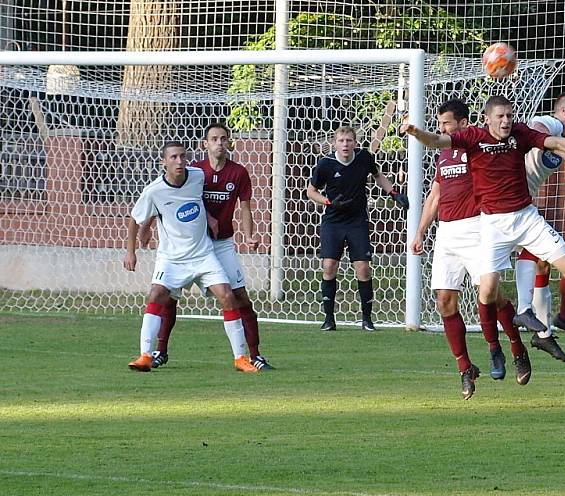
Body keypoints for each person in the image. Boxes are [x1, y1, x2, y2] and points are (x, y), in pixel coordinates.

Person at [401, 95, 565, 384]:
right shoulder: (468, 140)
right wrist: (416, 132)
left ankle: (554, 324)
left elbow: (552, 142)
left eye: (509, 115)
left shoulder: (518, 132)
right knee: (477, 295)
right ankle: (494, 350)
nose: (506, 121)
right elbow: (435, 149)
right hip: (481, 227)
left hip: (512, 219)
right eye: (500, 117)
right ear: (487, 119)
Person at [411, 99, 545, 399]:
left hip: (478, 227)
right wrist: (421, 230)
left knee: (493, 297)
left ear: (462, 122)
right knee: (444, 302)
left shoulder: (479, 145)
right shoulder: (444, 154)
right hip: (447, 233)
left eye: (446, 123)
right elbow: (435, 194)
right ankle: (465, 368)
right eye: (440, 123)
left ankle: (516, 347)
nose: (441, 128)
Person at [139, 123, 273, 371]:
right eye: (214, 139)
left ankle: (254, 355)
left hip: (220, 244)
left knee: (239, 296)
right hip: (188, 247)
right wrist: (146, 227)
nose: (219, 143)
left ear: (229, 142)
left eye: (223, 139)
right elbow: (164, 197)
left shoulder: (239, 173)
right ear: (205, 144)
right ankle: (160, 351)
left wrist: (250, 235)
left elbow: (245, 207)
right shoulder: (195, 171)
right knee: (168, 298)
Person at [515, 93, 565, 362]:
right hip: (502, 208)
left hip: (523, 206)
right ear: (562, 111)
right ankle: (529, 327)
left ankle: (550, 328)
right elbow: (537, 133)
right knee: (486, 283)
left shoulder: (564, 136)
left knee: (547, 264)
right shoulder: (548, 123)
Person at [306, 125, 409, 331]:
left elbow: (378, 175)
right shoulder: (326, 164)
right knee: (329, 266)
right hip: (333, 221)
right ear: (334, 143)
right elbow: (311, 191)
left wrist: (394, 194)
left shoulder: (363, 158)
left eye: (349, 141)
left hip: (357, 221)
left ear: (355, 143)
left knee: (363, 268)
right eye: (341, 141)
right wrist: (329, 203)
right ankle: (328, 319)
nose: (345, 144)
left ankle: (367, 320)